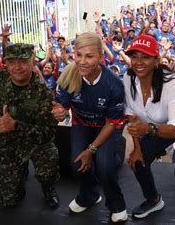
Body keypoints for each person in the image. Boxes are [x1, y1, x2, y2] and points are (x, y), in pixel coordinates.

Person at [124, 34, 175, 225]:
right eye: (134, 56)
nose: (138, 62)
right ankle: (154, 200)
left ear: (156, 60)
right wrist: (137, 148)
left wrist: (147, 129)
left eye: (145, 57)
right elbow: (132, 115)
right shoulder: (129, 78)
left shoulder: (173, 84)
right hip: (157, 124)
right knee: (137, 161)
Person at [52, 32, 127, 223]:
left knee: (105, 166)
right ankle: (89, 196)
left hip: (107, 127)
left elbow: (111, 123)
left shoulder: (115, 85)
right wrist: (59, 112)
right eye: (78, 55)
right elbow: (62, 107)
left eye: (89, 56)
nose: (82, 61)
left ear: (101, 58)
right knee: (77, 163)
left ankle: (117, 205)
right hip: (83, 124)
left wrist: (91, 150)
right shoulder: (68, 77)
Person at [0, 43, 60, 209]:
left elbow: (47, 133)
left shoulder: (43, 92)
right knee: (9, 200)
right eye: (12, 62)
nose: (17, 67)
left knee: (47, 169)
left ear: (32, 62)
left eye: (23, 61)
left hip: (37, 142)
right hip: (10, 144)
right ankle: (20, 172)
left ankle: (48, 188)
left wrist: (15, 125)